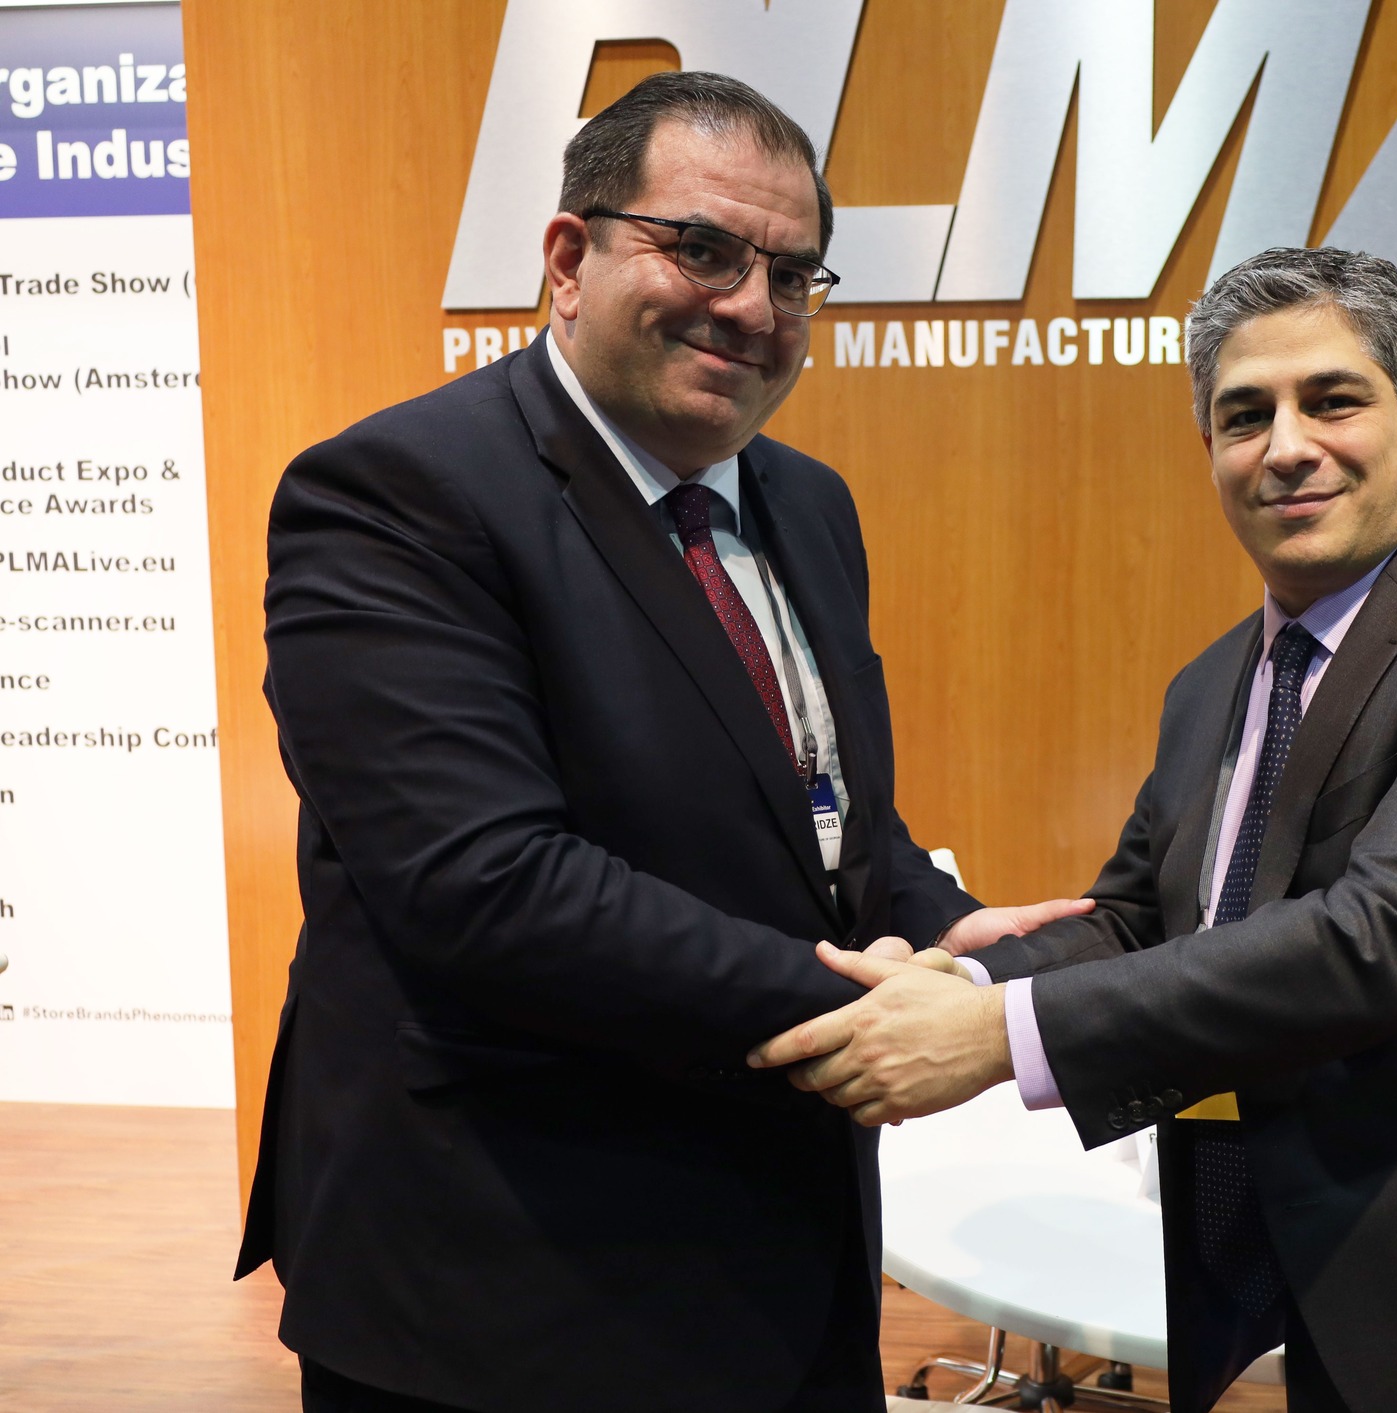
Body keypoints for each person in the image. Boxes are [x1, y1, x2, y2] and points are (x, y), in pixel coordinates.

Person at [752, 247, 1397, 1412]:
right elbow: (1139, 916)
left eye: (1331, 400)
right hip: (1326, 1293)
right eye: (1244, 416)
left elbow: (1370, 937)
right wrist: (959, 978)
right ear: (1209, 449)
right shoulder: (1211, 686)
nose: (1286, 446)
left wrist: (996, 1033)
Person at [234, 71, 1086, 1413]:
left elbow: (818, 820)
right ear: (568, 259)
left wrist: (942, 926)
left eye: (792, 275)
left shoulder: (808, 504)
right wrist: (878, 1009)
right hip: (504, 1293)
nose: (751, 305)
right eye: (701, 247)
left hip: (781, 1267)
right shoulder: (397, 495)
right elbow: (484, 885)